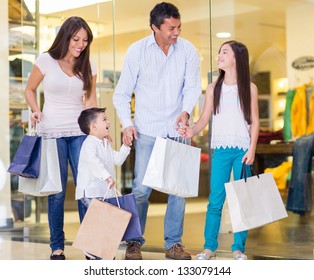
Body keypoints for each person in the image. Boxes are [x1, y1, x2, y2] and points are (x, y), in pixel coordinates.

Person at [113, 2, 202, 260]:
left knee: (178, 189)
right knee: (141, 190)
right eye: (171, 28)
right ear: (155, 27)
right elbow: (121, 94)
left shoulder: (187, 50)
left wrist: (185, 112)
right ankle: (134, 242)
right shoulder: (137, 51)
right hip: (147, 130)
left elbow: (192, 87)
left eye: (179, 27)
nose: (176, 32)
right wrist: (127, 123)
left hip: (176, 131)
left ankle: (173, 244)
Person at [179, 40, 259, 260]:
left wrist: (251, 149)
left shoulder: (249, 88)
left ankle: (238, 248)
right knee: (216, 200)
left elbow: (254, 122)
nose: (219, 56)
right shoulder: (214, 88)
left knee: (242, 200)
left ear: (237, 58)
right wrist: (191, 131)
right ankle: (209, 247)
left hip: (242, 151)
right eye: (218, 52)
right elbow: (205, 117)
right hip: (221, 151)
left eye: (224, 52)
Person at [24, 16, 97, 260]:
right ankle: (57, 245)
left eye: (85, 40)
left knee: (85, 187)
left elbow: (90, 101)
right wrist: (36, 110)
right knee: (57, 191)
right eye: (76, 39)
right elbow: (29, 89)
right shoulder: (46, 60)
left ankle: (91, 245)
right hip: (52, 130)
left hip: (80, 132)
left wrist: (97, 130)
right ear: (65, 37)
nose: (81, 44)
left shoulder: (88, 65)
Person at [76, 107, 131, 260]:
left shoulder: (104, 144)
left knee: (103, 221)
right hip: (90, 191)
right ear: (93, 127)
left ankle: (99, 253)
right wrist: (107, 176)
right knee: (100, 221)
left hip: (102, 191)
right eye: (104, 119)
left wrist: (126, 146)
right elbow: (93, 163)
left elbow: (118, 159)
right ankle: (94, 253)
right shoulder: (89, 144)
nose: (108, 122)